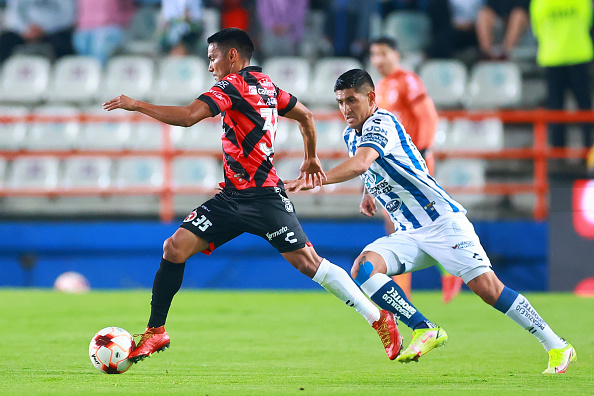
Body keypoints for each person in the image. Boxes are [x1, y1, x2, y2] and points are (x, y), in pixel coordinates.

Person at [103, 28, 402, 363]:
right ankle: (156, 332)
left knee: (309, 264)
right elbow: (306, 115)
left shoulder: (231, 86)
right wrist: (310, 155)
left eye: (212, 57)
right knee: (174, 247)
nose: (210, 66)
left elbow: (188, 118)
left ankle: (379, 319)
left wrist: (136, 104)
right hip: (231, 198)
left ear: (232, 55)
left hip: (264, 198)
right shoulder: (268, 86)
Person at [285, 69, 576, 373]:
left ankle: (557, 345)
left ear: (371, 98)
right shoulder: (350, 135)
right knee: (365, 268)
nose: (345, 108)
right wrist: (368, 194)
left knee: (489, 290)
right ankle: (424, 328)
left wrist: (314, 180)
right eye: (340, 102)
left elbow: (361, 163)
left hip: (442, 223)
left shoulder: (382, 122)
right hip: (409, 232)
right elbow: (371, 170)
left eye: (351, 100)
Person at [369, 36, 464, 303]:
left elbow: (428, 116)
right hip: (393, 166)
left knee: (410, 226)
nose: (378, 60)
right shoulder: (381, 86)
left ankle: (443, 270)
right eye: (374, 54)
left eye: (384, 53)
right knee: (400, 227)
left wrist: (420, 153)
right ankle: (409, 291)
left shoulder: (406, 80)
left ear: (396, 54)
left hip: (413, 164)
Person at [530, 0, 593, 149]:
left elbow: (536, 29)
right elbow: (588, 21)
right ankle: (589, 152)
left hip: (553, 58)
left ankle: (558, 154)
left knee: (556, 109)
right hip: (578, 56)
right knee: (584, 107)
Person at [0, 0, 76, 63]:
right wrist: (26, 29)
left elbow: (68, 16)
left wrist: (45, 29)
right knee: (5, 40)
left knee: (65, 42)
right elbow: (12, 14)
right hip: (24, 33)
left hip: (53, 33)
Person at [73, 0, 136, 65]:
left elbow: (128, 8)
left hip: (106, 28)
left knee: (98, 62)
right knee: (84, 64)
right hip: (83, 28)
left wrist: (115, 21)